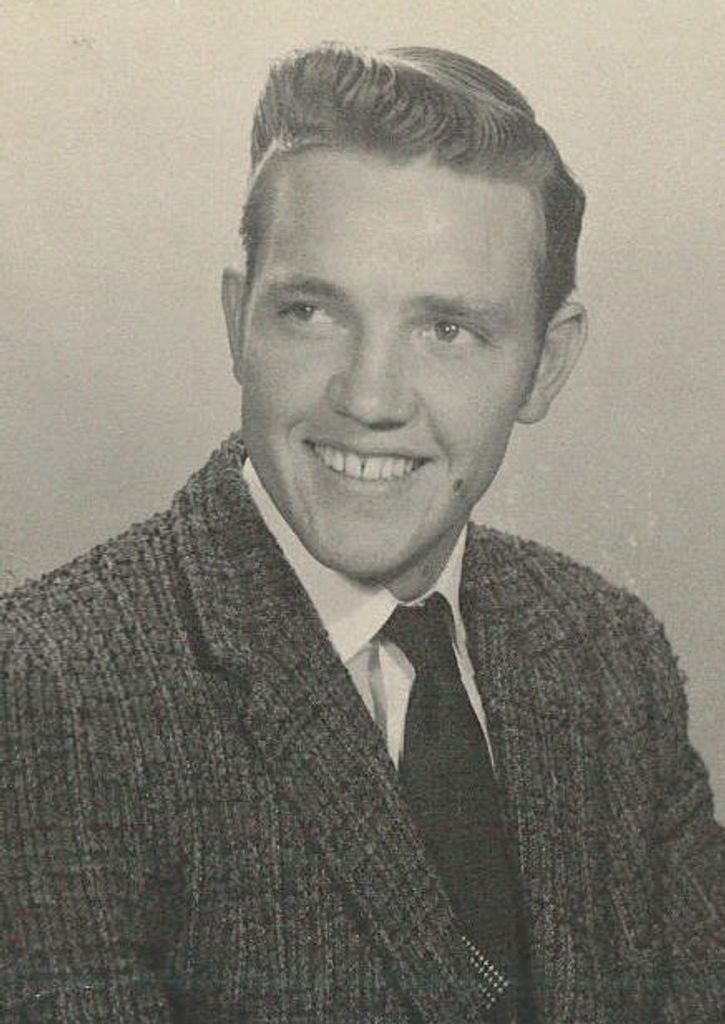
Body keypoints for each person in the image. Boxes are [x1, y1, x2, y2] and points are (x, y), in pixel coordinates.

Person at [1, 42, 723, 1024]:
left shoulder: (605, 652)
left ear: (546, 364)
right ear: (238, 320)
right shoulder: (51, 689)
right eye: (311, 313)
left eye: (446, 331)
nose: (370, 398)